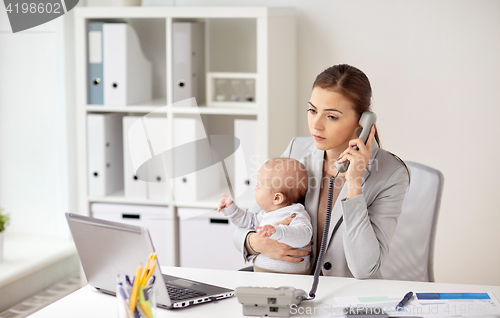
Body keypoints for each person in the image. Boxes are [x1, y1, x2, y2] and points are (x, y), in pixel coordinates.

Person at [233, 64, 410, 279]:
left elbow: (364, 269)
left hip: (347, 298)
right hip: (291, 290)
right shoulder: (296, 150)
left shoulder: (391, 174)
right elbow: (249, 222)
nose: (316, 125)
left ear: (362, 122)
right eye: (312, 110)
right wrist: (256, 243)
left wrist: (354, 184)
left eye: (331, 116)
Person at [218, 158, 313, 274]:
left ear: (277, 198)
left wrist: (277, 231)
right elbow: (246, 221)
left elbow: (304, 236)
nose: (255, 188)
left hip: (292, 277)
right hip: (261, 273)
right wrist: (231, 208)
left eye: (259, 186)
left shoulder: (295, 214)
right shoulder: (264, 214)